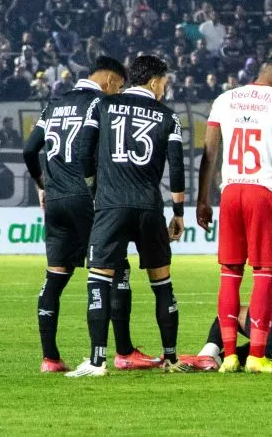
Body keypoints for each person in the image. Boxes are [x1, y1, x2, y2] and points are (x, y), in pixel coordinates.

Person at [22, 56, 157, 373]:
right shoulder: (103, 105)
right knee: (116, 269)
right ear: (110, 81)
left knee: (55, 277)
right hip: (88, 200)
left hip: (55, 201)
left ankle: (50, 358)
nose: (119, 93)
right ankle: (124, 352)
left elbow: (29, 150)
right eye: (120, 87)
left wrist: (43, 185)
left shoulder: (54, 105)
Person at [67, 55, 189, 377]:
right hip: (149, 208)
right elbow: (177, 168)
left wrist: (95, 191)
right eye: (164, 82)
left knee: (99, 282)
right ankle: (171, 359)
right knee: (162, 284)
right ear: (153, 82)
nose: (165, 88)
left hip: (111, 206)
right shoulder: (168, 117)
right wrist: (178, 213)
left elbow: (83, 152)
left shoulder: (102, 105)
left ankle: (97, 362)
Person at [195, 53, 272, 374]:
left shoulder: (225, 98)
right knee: (264, 274)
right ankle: (257, 356)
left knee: (230, 275)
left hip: (231, 192)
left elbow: (210, 151)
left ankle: (230, 355)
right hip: (263, 192)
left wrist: (202, 198)